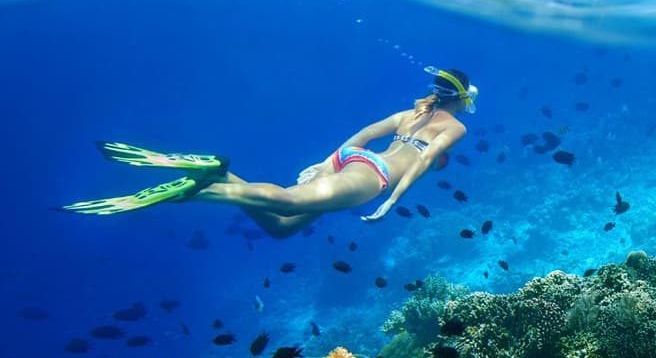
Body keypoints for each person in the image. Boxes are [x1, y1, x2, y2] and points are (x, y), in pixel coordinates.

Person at [63, 67, 477, 239]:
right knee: (285, 197)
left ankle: (217, 179)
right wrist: (391, 200)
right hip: (374, 179)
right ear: (462, 100)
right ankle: (195, 183)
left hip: (357, 164)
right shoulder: (455, 126)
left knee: (282, 225)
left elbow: (361, 138)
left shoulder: (410, 113)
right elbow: (422, 161)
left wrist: (327, 162)